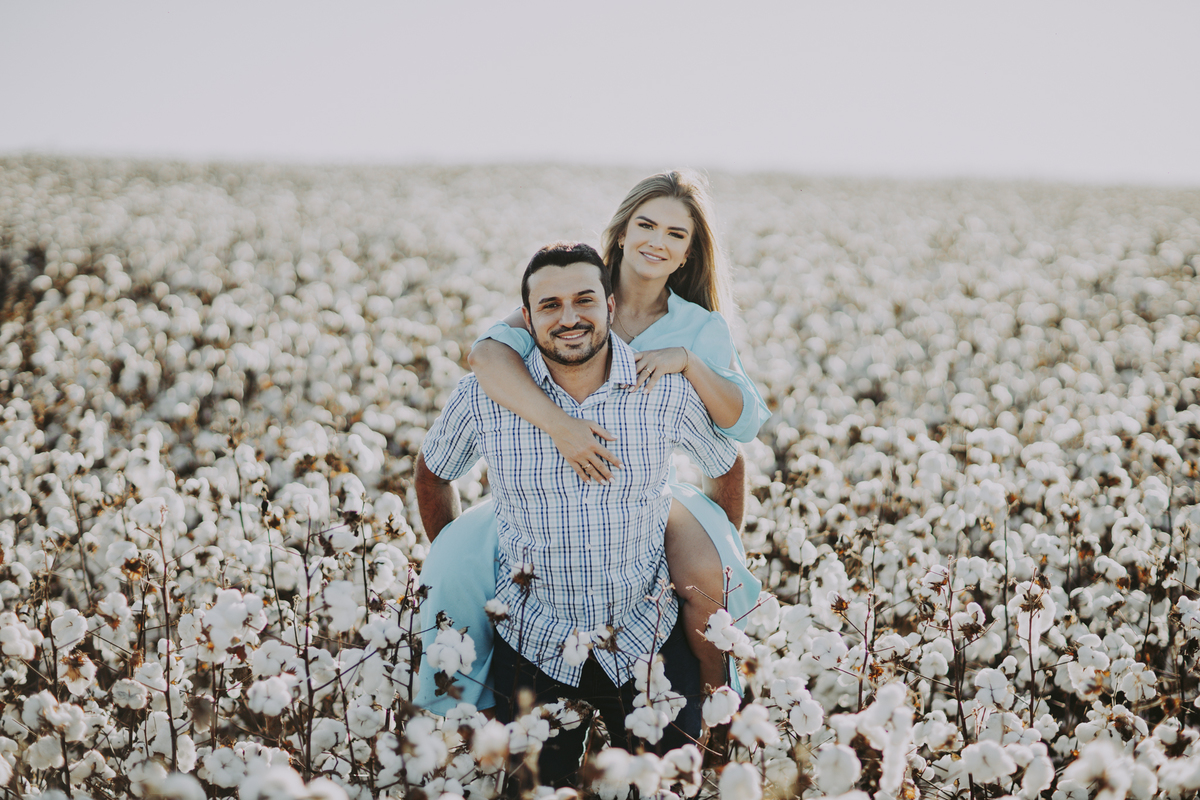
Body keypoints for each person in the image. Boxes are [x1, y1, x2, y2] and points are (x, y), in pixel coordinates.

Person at [416, 171, 769, 713]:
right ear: (621, 233)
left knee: (706, 581)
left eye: (676, 234)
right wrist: (561, 426)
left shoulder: (699, 328)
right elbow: (487, 356)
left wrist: (689, 363)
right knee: (455, 583)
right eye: (646, 224)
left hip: (644, 489)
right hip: (537, 484)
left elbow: (739, 427)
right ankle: (471, 719)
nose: (658, 241)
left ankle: (717, 704)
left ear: (689, 252)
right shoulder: (574, 291)